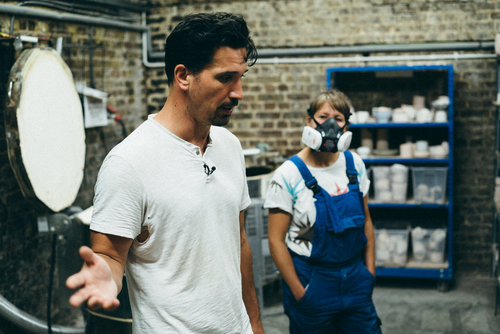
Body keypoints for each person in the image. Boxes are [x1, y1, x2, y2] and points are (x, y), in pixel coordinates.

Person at [66, 12, 265, 334]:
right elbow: (110, 255)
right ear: (183, 76)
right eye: (226, 78)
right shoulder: (129, 162)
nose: (238, 92)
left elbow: (238, 242)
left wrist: (255, 324)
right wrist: (105, 273)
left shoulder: (228, 146)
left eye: (241, 77)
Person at [264, 89, 382, 333]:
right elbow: (276, 241)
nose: (331, 124)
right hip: (312, 280)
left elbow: (367, 220)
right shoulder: (288, 174)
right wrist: (300, 292)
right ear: (309, 122)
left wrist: (369, 271)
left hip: (355, 277)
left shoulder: (354, 165)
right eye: (323, 116)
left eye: (338, 119)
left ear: (346, 127)